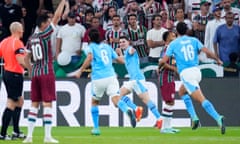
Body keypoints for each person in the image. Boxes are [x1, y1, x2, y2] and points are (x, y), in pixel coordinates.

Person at [159, 22, 226, 134]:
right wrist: (217, 60)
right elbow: (207, 52)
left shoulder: (174, 44)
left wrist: (159, 66)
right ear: (186, 30)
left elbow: (164, 60)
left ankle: (218, 118)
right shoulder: (194, 40)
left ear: (176, 31)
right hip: (197, 71)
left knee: (201, 99)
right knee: (182, 92)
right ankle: (194, 118)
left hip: (186, 74)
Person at [75, 28, 136, 136]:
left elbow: (89, 58)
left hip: (98, 78)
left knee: (95, 102)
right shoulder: (107, 47)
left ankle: (96, 128)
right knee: (116, 99)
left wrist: (80, 71)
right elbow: (118, 60)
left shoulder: (90, 47)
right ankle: (126, 109)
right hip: (111, 77)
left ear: (89, 38)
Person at [23, 0, 66, 143]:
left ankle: (29, 136)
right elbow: (57, 17)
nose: (49, 23)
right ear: (42, 24)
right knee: (47, 104)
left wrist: (30, 70)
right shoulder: (45, 34)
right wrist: (63, 2)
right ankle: (47, 136)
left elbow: (26, 58)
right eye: (47, 21)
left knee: (34, 103)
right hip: (46, 72)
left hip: (35, 73)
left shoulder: (31, 38)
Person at [116, 35, 163, 129]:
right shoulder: (125, 52)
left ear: (128, 42)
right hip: (132, 80)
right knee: (117, 95)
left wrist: (129, 50)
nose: (121, 43)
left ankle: (159, 119)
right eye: (120, 42)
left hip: (137, 80)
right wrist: (121, 54)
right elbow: (123, 61)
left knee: (146, 100)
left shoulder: (130, 49)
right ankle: (136, 109)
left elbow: (131, 51)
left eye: (123, 41)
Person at [0, 22, 30, 140]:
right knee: (12, 103)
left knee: (19, 101)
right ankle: (2, 133)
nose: (23, 31)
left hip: (7, 73)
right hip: (15, 74)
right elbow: (20, 60)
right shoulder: (17, 43)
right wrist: (30, 68)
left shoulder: (4, 42)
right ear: (18, 30)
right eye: (22, 29)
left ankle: (16, 131)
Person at [158, 31, 180, 134]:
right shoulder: (167, 49)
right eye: (173, 36)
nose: (175, 37)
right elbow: (163, 63)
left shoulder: (172, 49)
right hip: (166, 77)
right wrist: (175, 69)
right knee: (169, 102)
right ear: (167, 39)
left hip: (170, 77)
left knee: (170, 102)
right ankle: (164, 128)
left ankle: (168, 126)